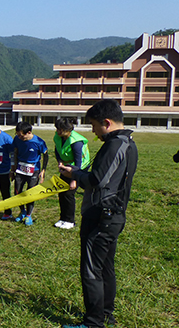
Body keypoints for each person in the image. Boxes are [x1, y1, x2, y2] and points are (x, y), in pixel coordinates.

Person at [59, 99, 137, 328]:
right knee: (105, 267)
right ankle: (106, 314)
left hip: (101, 216)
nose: (92, 131)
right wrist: (79, 171)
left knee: (92, 270)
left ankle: (93, 322)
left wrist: (74, 174)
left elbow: (97, 180)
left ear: (106, 122)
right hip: (114, 215)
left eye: (93, 125)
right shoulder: (128, 143)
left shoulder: (115, 145)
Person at [54, 117, 91, 229]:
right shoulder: (59, 136)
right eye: (57, 129)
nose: (57, 131)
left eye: (60, 129)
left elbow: (78, 162)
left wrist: (74, 180)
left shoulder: (76, 142)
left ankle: (70, 220)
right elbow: (57, 150)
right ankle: (63, 218)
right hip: (67, 165)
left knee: (69, 193)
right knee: (62, 191)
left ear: (67, 130)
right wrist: (60, 162)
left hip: (79, 167)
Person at [11, 121, 48, 226]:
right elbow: (15, 151)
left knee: (30, 193)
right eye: (18, 135)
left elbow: (46, 155)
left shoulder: (39, 142)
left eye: (21, 136)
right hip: (20, 169)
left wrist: (43, 170)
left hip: (33, 170)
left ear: (29, 132)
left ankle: (28, 215)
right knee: (17, 192)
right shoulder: (17, 140)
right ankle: (22, 212)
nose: (19, 137)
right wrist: (13, 167)